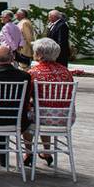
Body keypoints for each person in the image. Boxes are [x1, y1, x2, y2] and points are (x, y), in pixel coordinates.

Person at [26, 37, 75, 167]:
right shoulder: (66, 72)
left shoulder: (33, 72)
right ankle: (47, 151)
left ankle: (28, 152)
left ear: (40, 54)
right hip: (65, 117)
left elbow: (27, 95)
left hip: (43, 117)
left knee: (25, 115)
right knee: (43, 109)